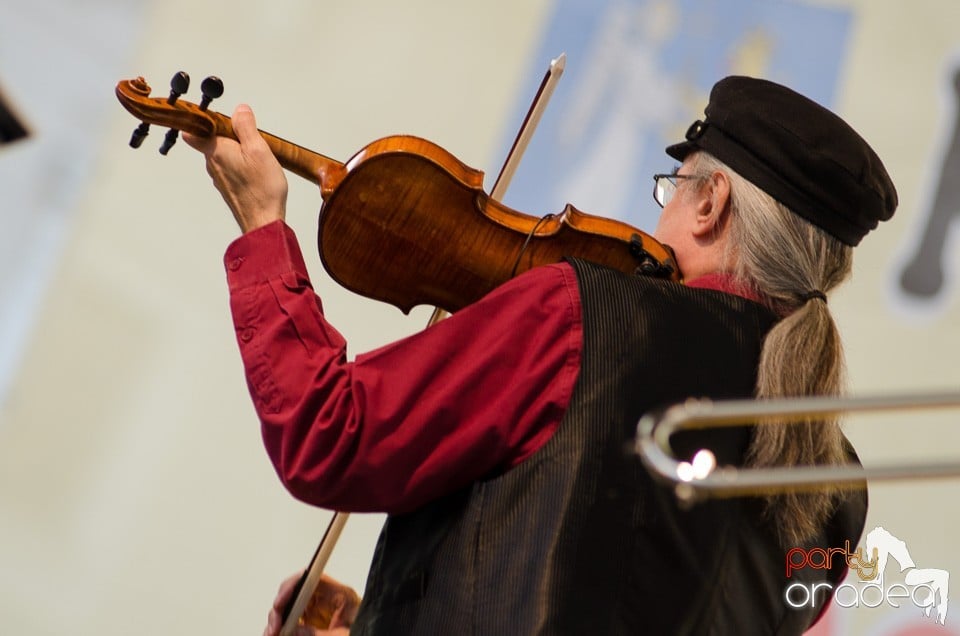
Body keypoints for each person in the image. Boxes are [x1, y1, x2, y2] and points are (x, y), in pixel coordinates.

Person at [184, 75, 897, 635]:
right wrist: (397, 611)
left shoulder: (588, 314)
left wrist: (263, 228)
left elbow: (326, 435)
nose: (660, 214)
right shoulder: (840, 489)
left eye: (674, 190)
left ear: (710, 203)